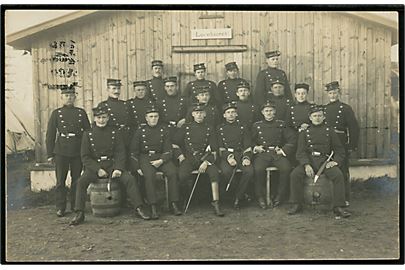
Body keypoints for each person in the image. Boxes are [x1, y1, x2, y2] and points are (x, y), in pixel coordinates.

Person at [70, 105, 150, 226]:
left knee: (129, 179)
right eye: (99, 117)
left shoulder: (115, 132)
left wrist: (118, 168)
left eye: (104, 117)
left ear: (108, 118)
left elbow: (120, 152)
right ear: (95, 118)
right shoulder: (88, 134)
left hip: (112, 164)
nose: (101, 120)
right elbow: (85, 156)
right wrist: (97, 169)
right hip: (95, 166)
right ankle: (79, 212)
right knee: (81, 182)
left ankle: (139, 208)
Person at [288, 105, 351, 218]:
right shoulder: (304, 132)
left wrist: (335, 161)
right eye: (315, 116)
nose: (317, 118)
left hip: (325, 162)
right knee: (295, 174)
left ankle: (338, 206)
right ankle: (296, 204)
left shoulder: (330, 131)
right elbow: (300, 152)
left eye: (320, 116)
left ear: (323, 117)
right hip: (309, 160)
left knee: (338, 175)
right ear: (310, 118)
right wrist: (306, 165)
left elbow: (339, 150)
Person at [130, 106, 182, 219]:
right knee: (149, 176)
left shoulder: (164, 130)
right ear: (146, 118)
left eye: (156, 116)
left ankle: (174, 203)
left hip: (161, 157)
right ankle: (153, 206)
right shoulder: (140, 131)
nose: (154, 119)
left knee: (172, 172)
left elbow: (168, 149)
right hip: (145, 158)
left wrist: (161, 160)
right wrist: (137, 167)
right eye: (151, 116)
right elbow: (134, 151)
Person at [46, 85, 91, 217]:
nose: (69, 98)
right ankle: (60, 207)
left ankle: (75, 206)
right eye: (66, 96)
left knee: (76, 179)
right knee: (60, 180)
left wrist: (87, 152)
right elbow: (50, 134)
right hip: (61, 151)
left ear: (75, 97)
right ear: (61, 98)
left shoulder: (81, 113)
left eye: (71, 96)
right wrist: (50, 154)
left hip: (77, 150)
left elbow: (88, 133)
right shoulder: (56, 113)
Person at [174, 104, 224, 216]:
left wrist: (206, 162)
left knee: (214, 173)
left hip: (205, 158)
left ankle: (216, 202)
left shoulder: (209, 128)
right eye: (197, 113)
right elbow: (174, 144)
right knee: (182, 175)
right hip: (189, 158)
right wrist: (180, 156)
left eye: (201, 113)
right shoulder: (185, 127)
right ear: (192, 114)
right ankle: (184, 199)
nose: (199, 115)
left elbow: (214, 149)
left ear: (205, 114)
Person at [251, 101, 296, 209]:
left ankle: (279, 196)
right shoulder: (257, 125)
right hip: (262, 154)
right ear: (262, 112)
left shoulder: (281, 124)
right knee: (258, 169)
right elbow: (249, 140)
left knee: (286, 168)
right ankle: (260, 196)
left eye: (271, 110)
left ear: (274, 111)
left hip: (277, 153)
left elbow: (292, 139)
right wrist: (256, 147)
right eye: (266, 111)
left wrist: (283, 150)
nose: (269, 113)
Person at [324, 81, 359, 206]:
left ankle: (345, 198)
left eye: (335, 93)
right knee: (329, 169)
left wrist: (351, 145)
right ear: (327, 94)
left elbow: (353, 128)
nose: (332, 95)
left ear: (339, 93)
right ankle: (330, 196)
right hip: (327, 143)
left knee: (343, 170)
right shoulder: (324, 109)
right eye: (330, 93)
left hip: (341, 141)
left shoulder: (345, 108)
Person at [217, 102, 254, 209]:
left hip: (241, 154)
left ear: (236, 114)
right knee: (227, 171)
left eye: (233, 112)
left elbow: (247, 145)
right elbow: (220, 148)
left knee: (249, 171)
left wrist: (246, 158)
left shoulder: (243, 127)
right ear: (224, 115)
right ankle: (241, 195)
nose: (231, 114)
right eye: (228, 112)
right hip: (227, 156)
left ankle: (238, 197)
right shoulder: (220, 128)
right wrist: (228, 157)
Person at [155, 76, 188, 161]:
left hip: (181, 130)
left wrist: (185, 119)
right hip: (167, 130)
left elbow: (191, 113)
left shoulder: (184, 100)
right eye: (167, 86)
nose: (170, 89)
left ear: (176, 86)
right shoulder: (160, 102)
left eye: (172, 86)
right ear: (165, 88)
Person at [97, 79, 131, 146]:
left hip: (125, 139)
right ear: (108, 89)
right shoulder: (103, 105)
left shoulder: (125, 104)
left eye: (118, 89)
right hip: (110, 138)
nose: (116, 91)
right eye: (114, 88)